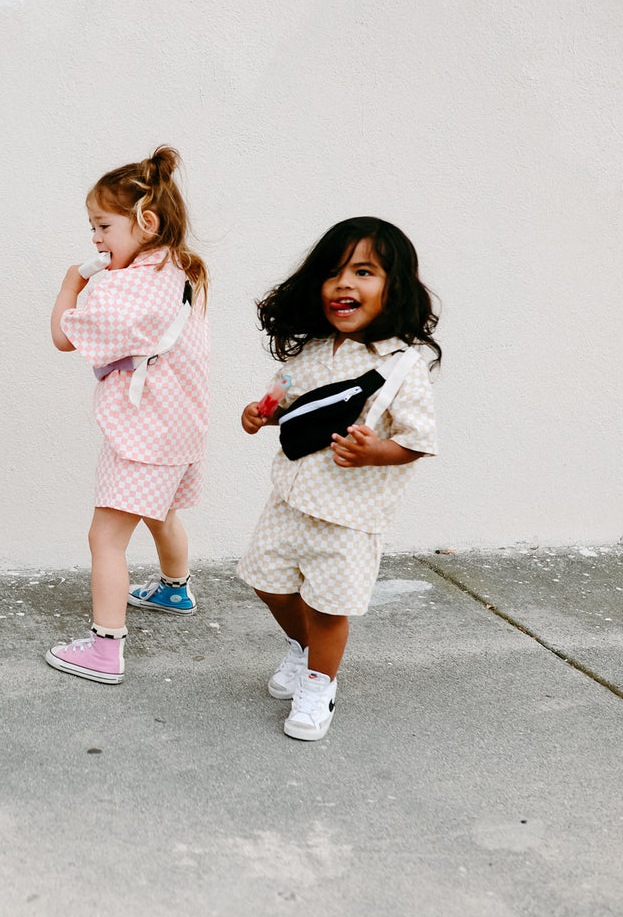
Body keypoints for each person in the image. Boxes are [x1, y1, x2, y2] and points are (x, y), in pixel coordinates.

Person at [238, 216, 440, 740]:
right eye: (333, 273)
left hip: (349, 517)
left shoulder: (401, 365)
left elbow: (418, 440)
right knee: (269, 585)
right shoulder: (311, 349)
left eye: (365, 272)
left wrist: (377, 451)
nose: (345, 284)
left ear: (394, 289)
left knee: (328, 609)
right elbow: (289, 403)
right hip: (290, 499)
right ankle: (303, 649)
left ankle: (319, 684)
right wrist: (262, 415)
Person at [44, 146, 210, 684]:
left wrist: (73, 284)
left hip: (143, 432)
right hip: (180, 427)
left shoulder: (125, 286)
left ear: (146, 222)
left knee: (106, 539)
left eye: (102, 226)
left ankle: (104, 648)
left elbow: (63, 338)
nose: (95, 239)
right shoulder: (182, 269)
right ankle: (175, 587)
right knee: (159, 512)